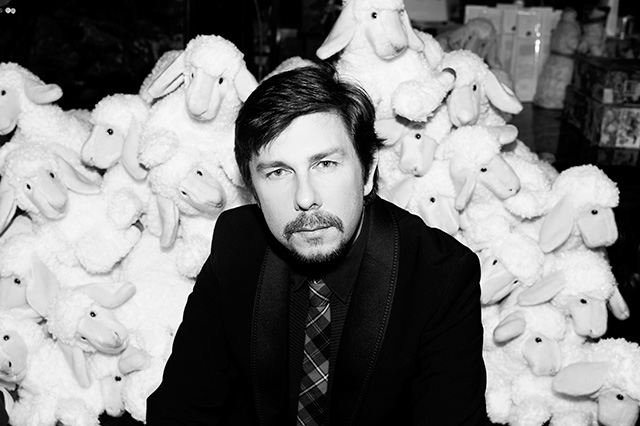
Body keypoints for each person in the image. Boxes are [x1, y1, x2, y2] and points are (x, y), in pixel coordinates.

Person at [146, 63, 487, 425]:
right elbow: (180, 409)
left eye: (325, 164)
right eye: (278, 172)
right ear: (253, 191)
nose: (306, 198)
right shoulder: (236, 245)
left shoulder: (440, 275)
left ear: (368, 172)